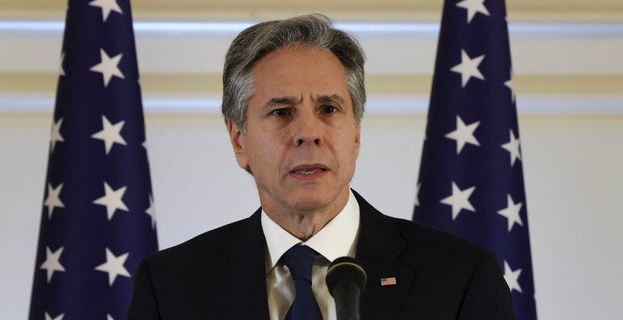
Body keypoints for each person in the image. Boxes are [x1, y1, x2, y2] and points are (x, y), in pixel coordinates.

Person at [128, 14, 516, 320]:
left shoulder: (460, 278)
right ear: (239, 140)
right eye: (281, 112)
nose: (308, 133)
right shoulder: (171, 287)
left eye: (329, 109)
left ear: (356, 132)